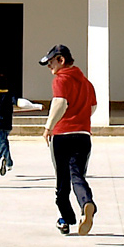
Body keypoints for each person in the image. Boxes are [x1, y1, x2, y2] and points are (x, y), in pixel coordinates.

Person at [41, 44, 97, 235]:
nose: (49, 66)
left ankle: (66, 219)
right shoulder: (87, 83)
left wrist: (48, 127)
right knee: (77, 175)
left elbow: (60, 102)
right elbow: (92, 108)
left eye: (51, 62)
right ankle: (86, 203)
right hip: (83, 136)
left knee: (62, 183)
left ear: (61, 60)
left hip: (62, 135)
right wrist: (80, 119)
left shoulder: (61, 79)